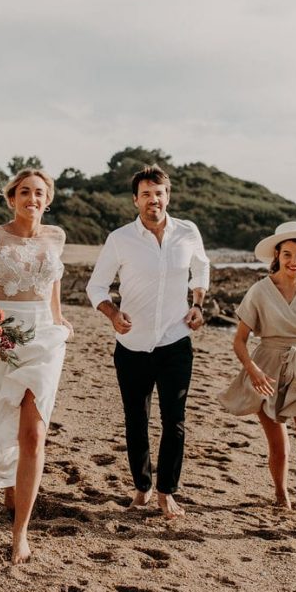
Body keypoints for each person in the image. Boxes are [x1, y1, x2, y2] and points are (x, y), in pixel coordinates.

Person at [0, 168, 72, 564]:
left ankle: (20, 533)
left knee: (34, 433)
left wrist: (58, 320)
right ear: (12, 198)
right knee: (4, 415)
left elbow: (53, 283)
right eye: (24, 192)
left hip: (45, 338)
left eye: (39, 192)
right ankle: (11, 481)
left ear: (48, 198)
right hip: (1, 335)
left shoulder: (56, 236)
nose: (32, 198)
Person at [86, 165, 208, 518]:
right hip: (132, 345)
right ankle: (142, 487)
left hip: (175, 341)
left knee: (175, 420)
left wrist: (198, 303)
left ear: (167, 196)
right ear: (135, 200)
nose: (153, 200)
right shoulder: (120, 238)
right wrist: (112, 313)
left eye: (159, 193)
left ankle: (167, 491)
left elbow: (201, 268)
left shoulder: (188, 232)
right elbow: (96, 286)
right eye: (146, 194)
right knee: (136, 420)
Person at [218, 221, 296, 545]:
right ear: (277, 255)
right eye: (287, 254)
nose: (294, 261)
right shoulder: (259, 290)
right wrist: (253, 371)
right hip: (267, 368)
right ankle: (281, 491)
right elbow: (240, 341)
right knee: (278, 446)